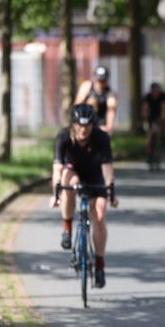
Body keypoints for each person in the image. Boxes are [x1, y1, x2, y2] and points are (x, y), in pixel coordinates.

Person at [51, 103, 119, 288]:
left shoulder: (101, 138)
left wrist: (110, 191)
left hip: (96, 174)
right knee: (69, 183)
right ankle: (67, 228)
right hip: (74, 173)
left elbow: (107, 170)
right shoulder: (63, 137)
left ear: (93, 125)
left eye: (88, 125)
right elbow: (57, 170)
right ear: (73, 124)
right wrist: (55, 193)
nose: (83, 129)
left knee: (99, 213)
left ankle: (99, 265)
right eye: (79, 125)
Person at [74, 65, 118, 136]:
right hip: (84, 123)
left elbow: (111, 112)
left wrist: (108, 128)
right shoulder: (86, 87)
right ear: (94, 79)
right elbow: (76, 107)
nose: (100, 83)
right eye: (99, 80)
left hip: (100, 126)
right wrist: (88, 105)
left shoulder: (110, 94)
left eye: (103, 80)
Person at [141, 82, 165, 170]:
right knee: (150, 136)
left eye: (157, 91)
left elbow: (164, 108)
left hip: (159, 117)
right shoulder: (148, 97)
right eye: (154, 91)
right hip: (151, 117)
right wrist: (144, 118)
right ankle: (148, 152)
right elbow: (145, 109)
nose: (156, 93)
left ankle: (162, 141)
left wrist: (163, 121)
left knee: (159, 133)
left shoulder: (163, 96)